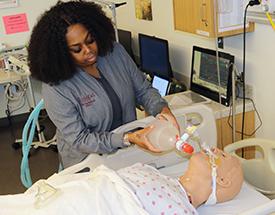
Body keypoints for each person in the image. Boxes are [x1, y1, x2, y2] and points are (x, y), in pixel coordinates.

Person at [27, 0, 179, 168]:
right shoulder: (56, 87)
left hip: (126, 151)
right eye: (77, 49)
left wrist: (161, 109)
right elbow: (79, 139)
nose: (88, 50)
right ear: (60, 52)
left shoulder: (115, 53)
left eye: (90, 40)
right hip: (87, 163)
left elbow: (143, 90)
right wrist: (125, 138)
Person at [0, 148, 243, 215]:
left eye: (220, 154)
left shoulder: (181, 208)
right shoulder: (161, 177)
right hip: (79, 193)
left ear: (222, 180)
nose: (212, 148)